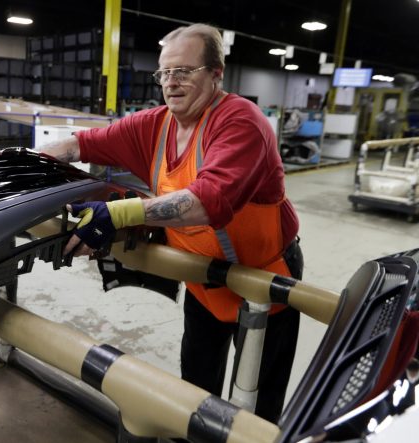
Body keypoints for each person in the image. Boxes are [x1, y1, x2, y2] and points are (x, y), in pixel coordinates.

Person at [37, 23, 303, 423]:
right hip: (201, 279)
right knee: (195, 388)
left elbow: (208, 201)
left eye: (184, 71)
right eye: (164, 72)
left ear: (216, 74)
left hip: (263, 284)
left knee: (258, 405)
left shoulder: (240, 122)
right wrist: (26, 161)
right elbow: (82, 144)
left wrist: (121, 214)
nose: (171, 82)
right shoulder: (154, 125)